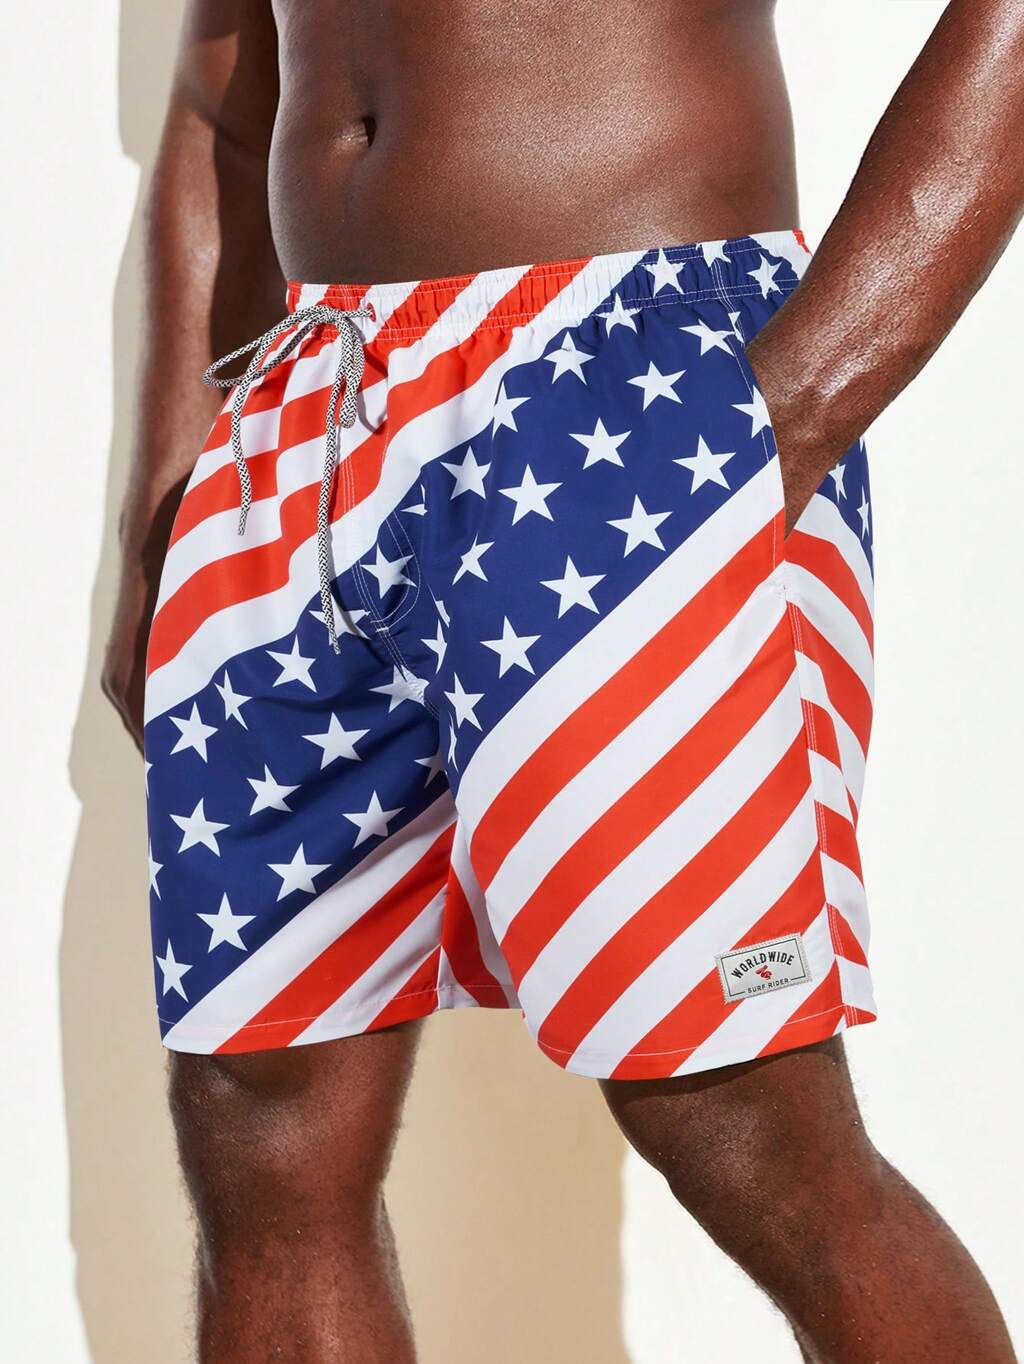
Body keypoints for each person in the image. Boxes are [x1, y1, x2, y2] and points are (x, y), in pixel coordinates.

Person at [102, 2, 1021, 1360]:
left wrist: (796, 404)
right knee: (259, 1120)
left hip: (627, 383)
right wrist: (170, 498)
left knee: (738, 1119)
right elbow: (220, 86)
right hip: (308, 413)